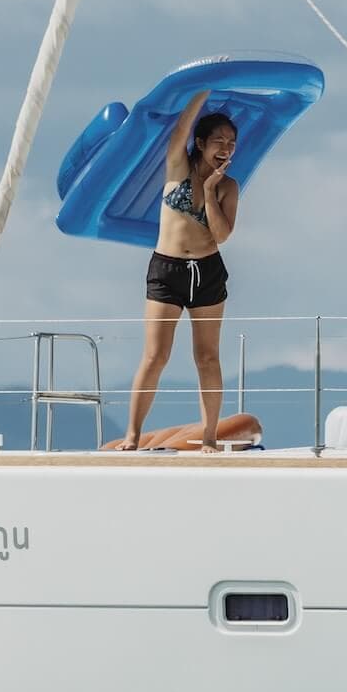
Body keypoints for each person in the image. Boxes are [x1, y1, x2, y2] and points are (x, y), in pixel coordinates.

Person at [114, 90, 239, 451]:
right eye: (218, 141)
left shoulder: (228, 186)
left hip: (207, 270)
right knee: (156, 355)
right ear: (200, 143)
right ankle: (133, 435)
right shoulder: (178, 166)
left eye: (231, 143)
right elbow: (179, 133)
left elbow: (222, 234)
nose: (226, 148)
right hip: (166, 268)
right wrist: (201, 92)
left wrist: (213, 191)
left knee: (207, 356)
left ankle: (210, 437)